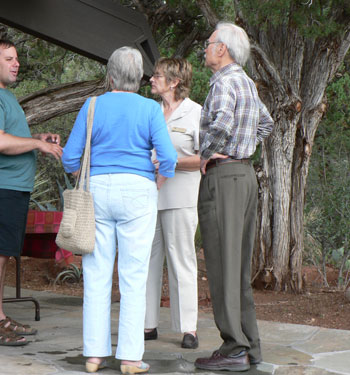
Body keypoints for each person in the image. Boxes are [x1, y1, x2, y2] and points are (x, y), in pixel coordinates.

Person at [62, 46, 177, 374]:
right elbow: (167, 158)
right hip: (138, 190)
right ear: (139, 79)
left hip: (98, 190)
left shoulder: (92, 105)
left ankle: (94, 356)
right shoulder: (150, 109)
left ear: (109, 76)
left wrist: (83, 172)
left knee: (96, 275)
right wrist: (157, 182)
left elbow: (71, 157)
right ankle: (129, 358)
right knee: (134, 276)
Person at [0, 39, 63, 346]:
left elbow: (9, 136)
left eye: (16, 58)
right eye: (8, 58)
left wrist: (36, 136)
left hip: (10, 187)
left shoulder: (2, 95)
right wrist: (38, 145)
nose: (16, 63)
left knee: (3, 252)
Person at [194, 22, 273, 372]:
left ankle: (234, 348)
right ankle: (250, 345)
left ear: (222, 48)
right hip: (244, 176)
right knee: (237, 268)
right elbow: (266, 123)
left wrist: (207, 154)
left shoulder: (225, 82)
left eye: (209, 43)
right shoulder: (248, 83)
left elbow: (223, 123)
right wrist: (246, 147)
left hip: (225, 178)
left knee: (223, 265)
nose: (206, 48)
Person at [144, 58, 201, 350]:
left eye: (157, 75)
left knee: (181, 261)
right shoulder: (151, 110)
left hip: (180, 198)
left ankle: (188, 327)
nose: (152, 79)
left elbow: (203, 160)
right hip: (147, 198)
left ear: (174, 81)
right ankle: (147, 323)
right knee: (147, 260)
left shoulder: (196, 114)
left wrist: (171, 161)